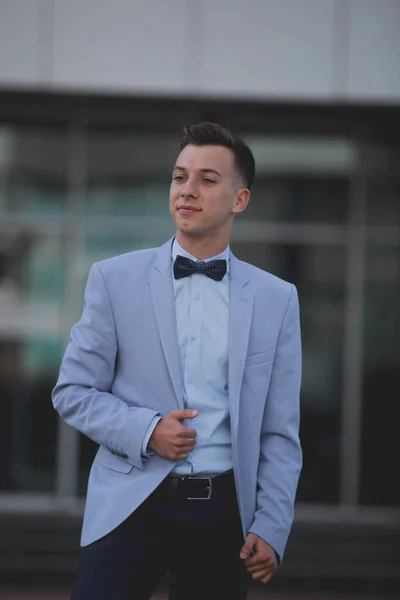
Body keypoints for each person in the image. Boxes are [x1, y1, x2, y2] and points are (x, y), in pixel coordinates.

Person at [52, 121, 302, 600]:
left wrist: (272, 524)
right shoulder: (113, 279)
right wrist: (147, 431)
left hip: (223, 515)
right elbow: (72, 391)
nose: (187, 190)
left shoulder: (277, 299)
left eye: (207, 180)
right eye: (179, 176)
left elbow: (279, 431)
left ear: (239, 200)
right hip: (130, 504)